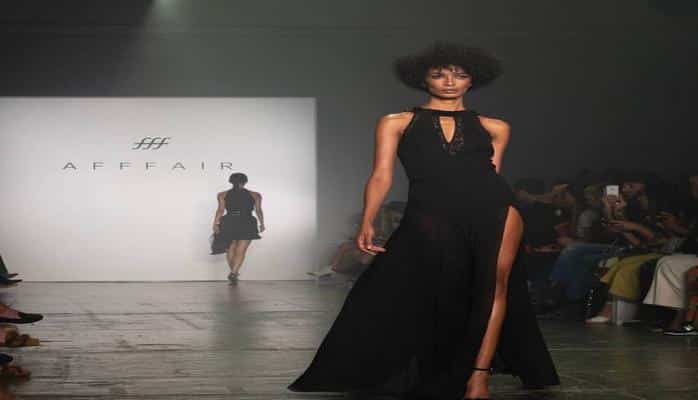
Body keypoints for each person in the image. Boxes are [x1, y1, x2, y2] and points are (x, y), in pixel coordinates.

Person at [288, 42, 559, 400]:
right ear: (423, 79)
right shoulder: (396, 122)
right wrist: (368, 220)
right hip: (430, 211)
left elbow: (492, 173)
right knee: (406, 284)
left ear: (473, 79)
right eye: (439, 74)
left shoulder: (495, 127)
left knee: (492, 288)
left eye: (459, 75)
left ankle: (479, 377)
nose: (449, 81)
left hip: (494, 209)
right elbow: (381, 174)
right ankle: (409, 365)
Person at [210, 172, 265, 283]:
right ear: (245, 182)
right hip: (247, 221)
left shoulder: (222, 195)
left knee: (231, 249)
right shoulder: (255, 195)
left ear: (231, 181)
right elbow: (258, 210)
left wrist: (215, 224)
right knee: (241, 250)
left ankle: (234, 273)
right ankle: (234, 273)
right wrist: (262, 223)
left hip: (229, 222)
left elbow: (220, 210)